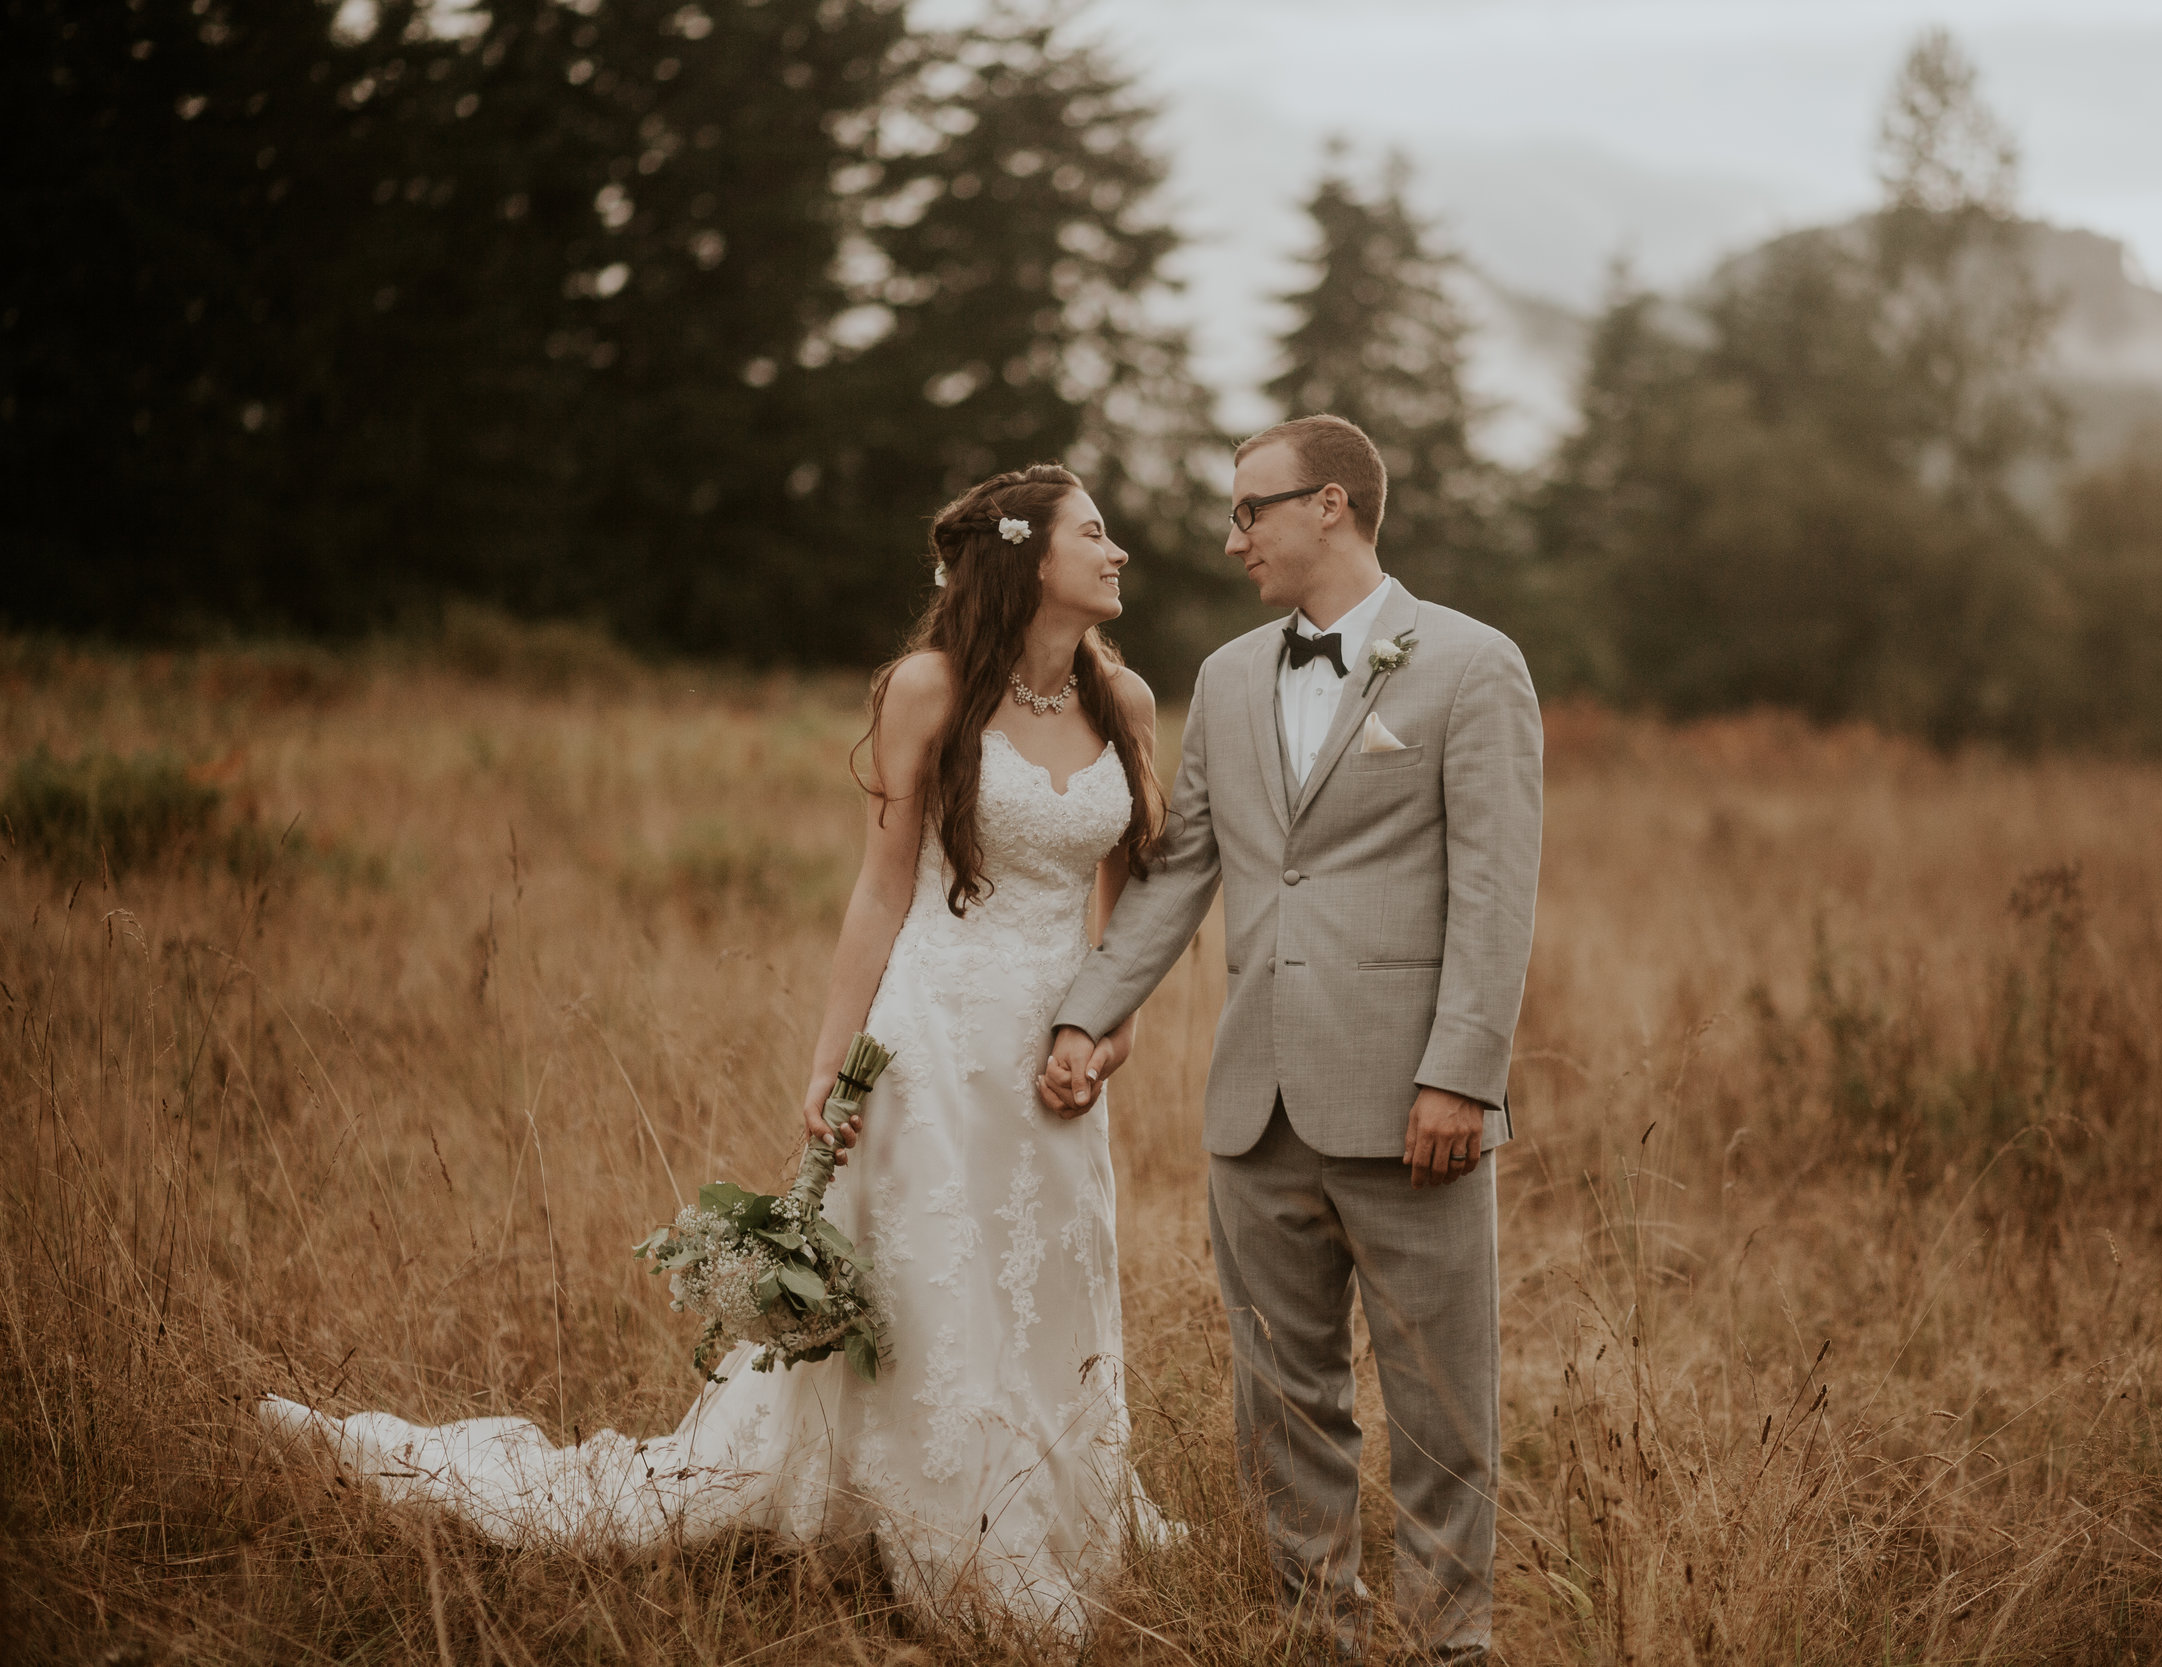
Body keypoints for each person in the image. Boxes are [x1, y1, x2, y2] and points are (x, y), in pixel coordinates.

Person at [259, 465, 1173, 1640]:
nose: (1119, 552)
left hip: (1057, 1060)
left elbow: (1133, 908)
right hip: (937, 1039)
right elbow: (881, 884)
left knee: (1049, 1269)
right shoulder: (928, 688)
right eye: (1095, 533)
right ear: (1027, 557)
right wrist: (830, 1061)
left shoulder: (1128, 702)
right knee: (934, 1276)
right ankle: (954, 1534)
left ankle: (1062, 1503)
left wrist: (1106, 1031)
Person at [1042, 415, 1543, 1664]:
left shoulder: (1474, 666)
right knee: (1279, 1399)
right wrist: (1090, 1008)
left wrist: (1458, 1075)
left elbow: (1495, 890)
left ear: (1329, 504)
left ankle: (1446, 1644)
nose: (1231, 538)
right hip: (1253, 1104)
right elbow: (1180, 871)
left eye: (1249, 509)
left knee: (1439, 1406)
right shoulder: (1223, 676)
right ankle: (1315, 1633)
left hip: (1413, 1104)